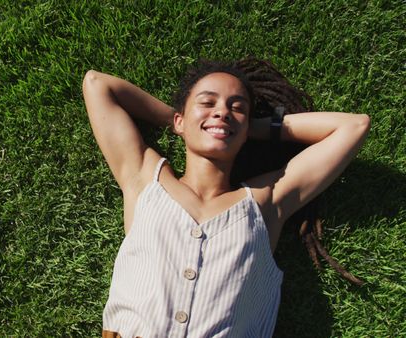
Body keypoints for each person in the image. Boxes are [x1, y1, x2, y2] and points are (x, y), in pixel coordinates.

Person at [82, 58, 370, 337]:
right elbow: (97, 84)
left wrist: (251, 128)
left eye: (237, 108)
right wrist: (179, 122)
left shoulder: (265, 202)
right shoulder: (144, 178)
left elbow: (353, 126)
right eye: (207, 103)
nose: (223, 112)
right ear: (181, 119)